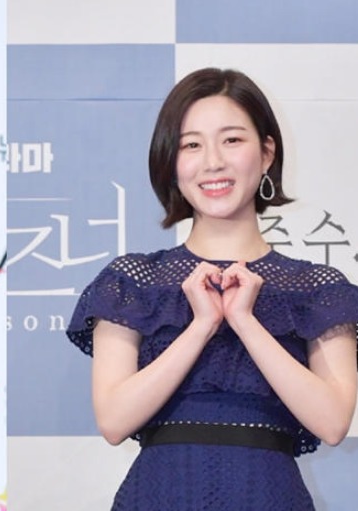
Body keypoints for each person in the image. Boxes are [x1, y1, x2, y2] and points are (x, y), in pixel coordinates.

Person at [66, 68, 358, 510]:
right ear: (171, 161)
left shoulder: (315, 289)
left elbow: (333, 422)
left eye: (232, 140)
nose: (213, 162)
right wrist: (201, 326)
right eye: (191, 145)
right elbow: (114, 420)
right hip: (159, 495)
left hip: (269, 497)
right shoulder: (133, 281)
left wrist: (245, 321)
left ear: (266, 153)